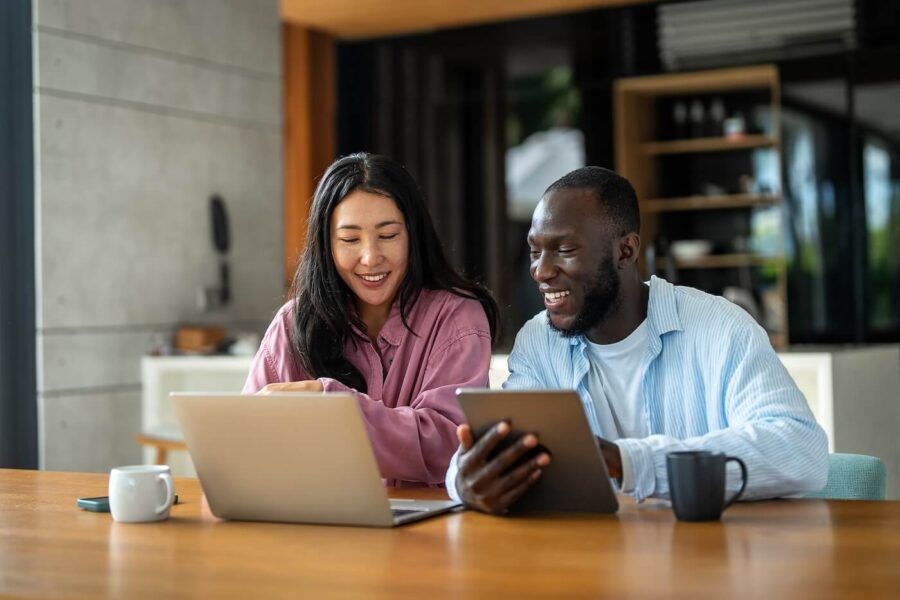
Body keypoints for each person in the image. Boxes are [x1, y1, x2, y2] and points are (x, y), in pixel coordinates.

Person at [446, 166, 829, 513]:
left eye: (564, 250)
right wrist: (464, 482)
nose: (541, 271)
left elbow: (799, 449)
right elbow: (498, 449)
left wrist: (626, 461)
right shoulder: (539, 341)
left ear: (625, 251)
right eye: (535, 251)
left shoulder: (721, 328)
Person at [244, 153, 499, 487]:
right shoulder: (293, 323)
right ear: (326, 246)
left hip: (429, 530)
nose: (370, 257)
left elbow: (449, 444)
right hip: (315, 525)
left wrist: (331, 406)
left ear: (413, 235)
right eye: (350, 239)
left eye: (388, 235)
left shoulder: (457, 316)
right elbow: (247, 441)